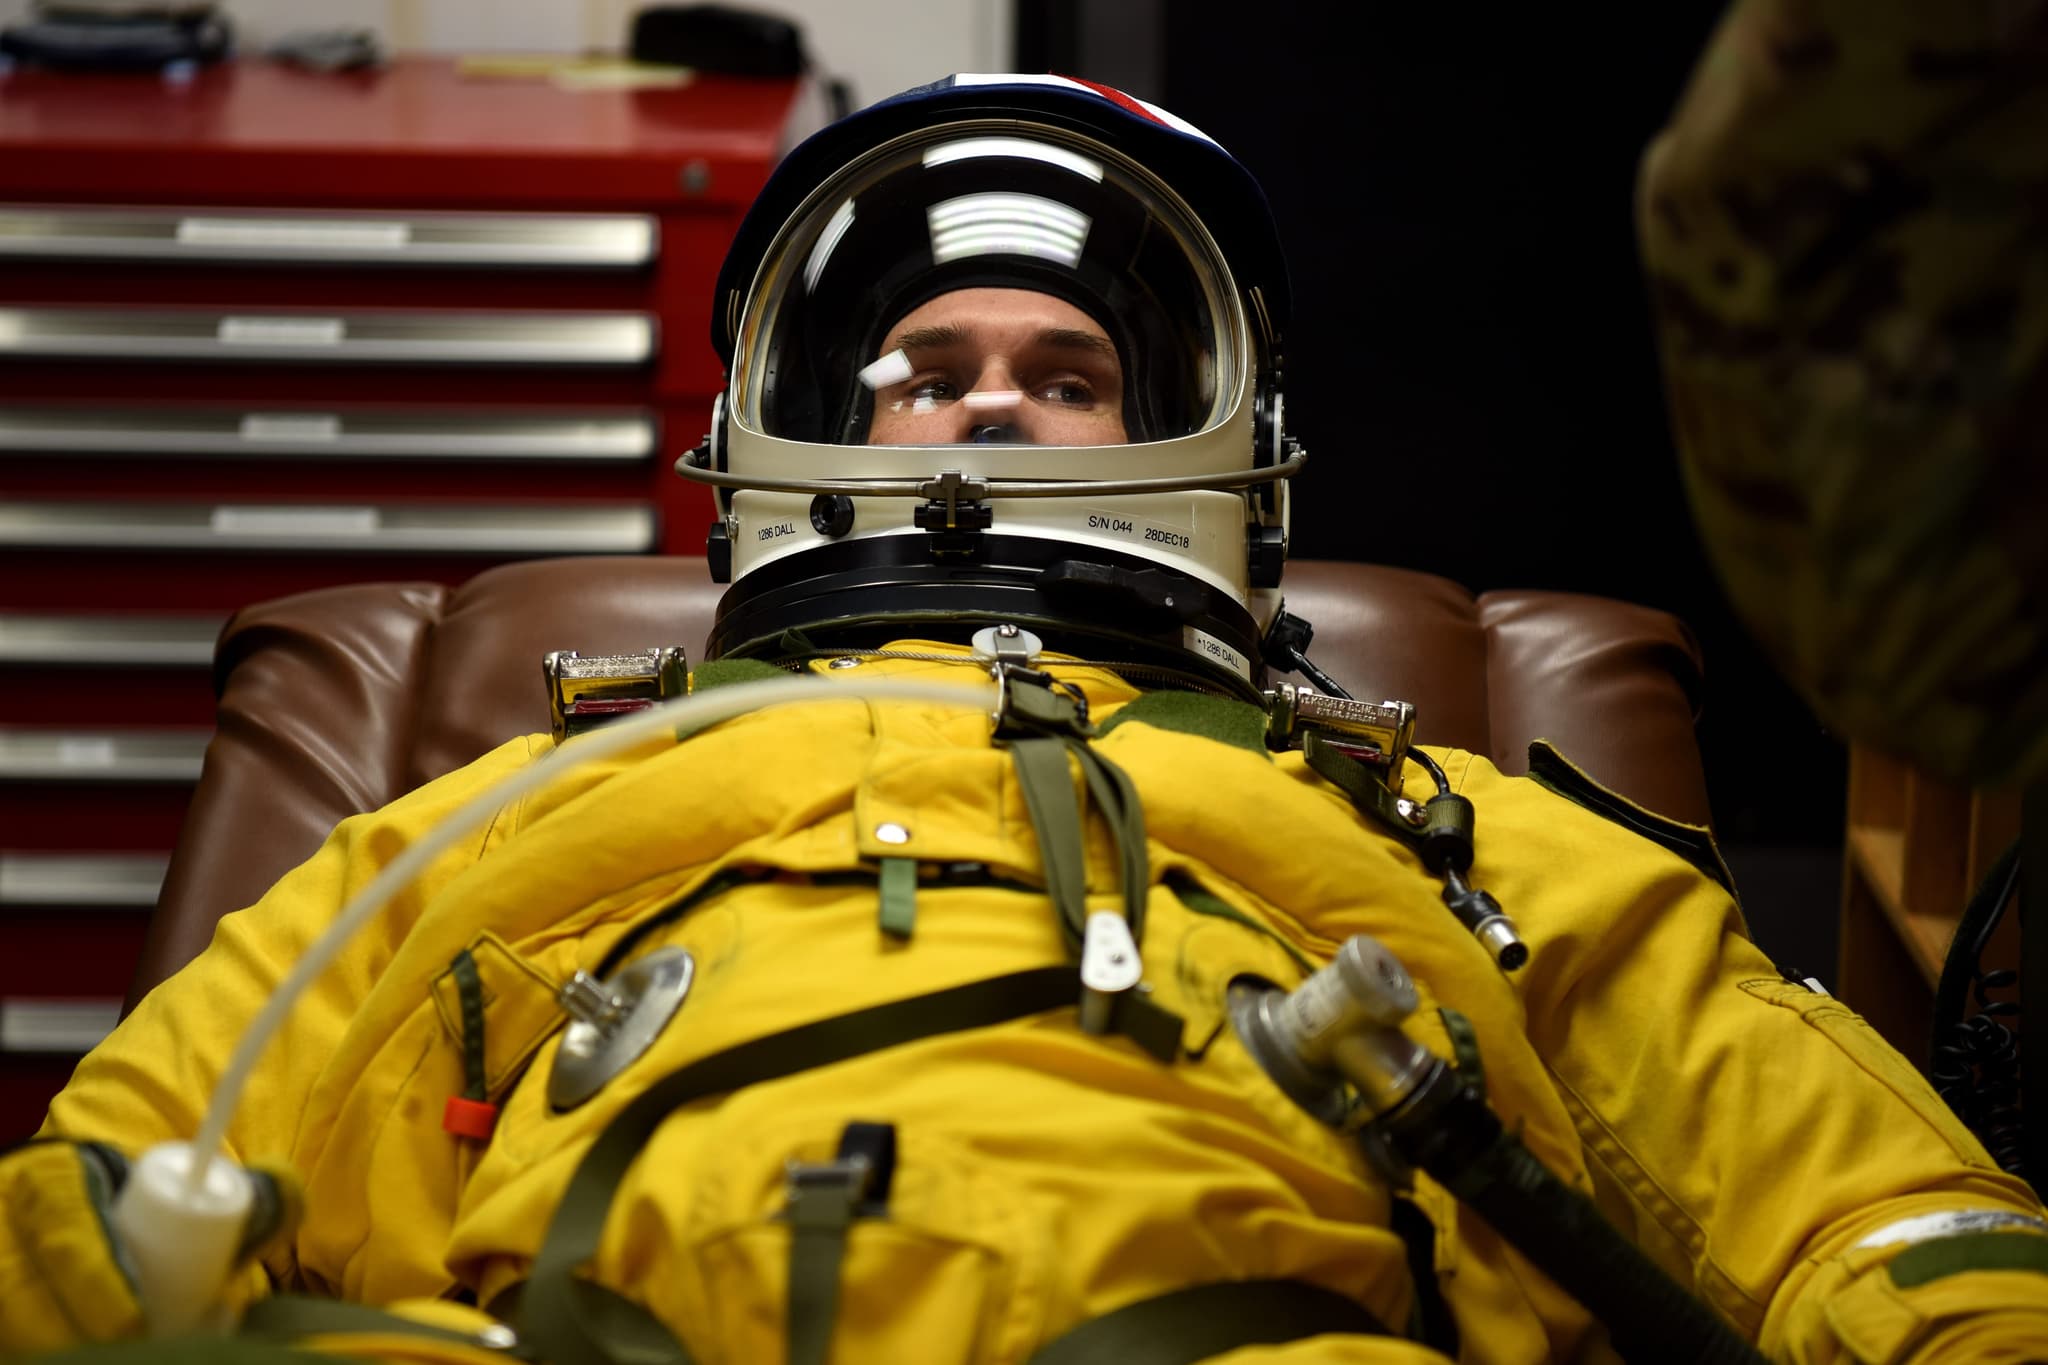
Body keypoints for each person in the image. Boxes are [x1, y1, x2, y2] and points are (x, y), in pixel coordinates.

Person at [4, 72, 2047, 1365]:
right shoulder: (516, 810)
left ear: (1209, 447)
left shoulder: (1443, 824)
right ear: (786, 430)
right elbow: (106, 1214)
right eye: (921, 366)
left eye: (1063, 369)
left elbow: (1880, 1210)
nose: (984, 401)